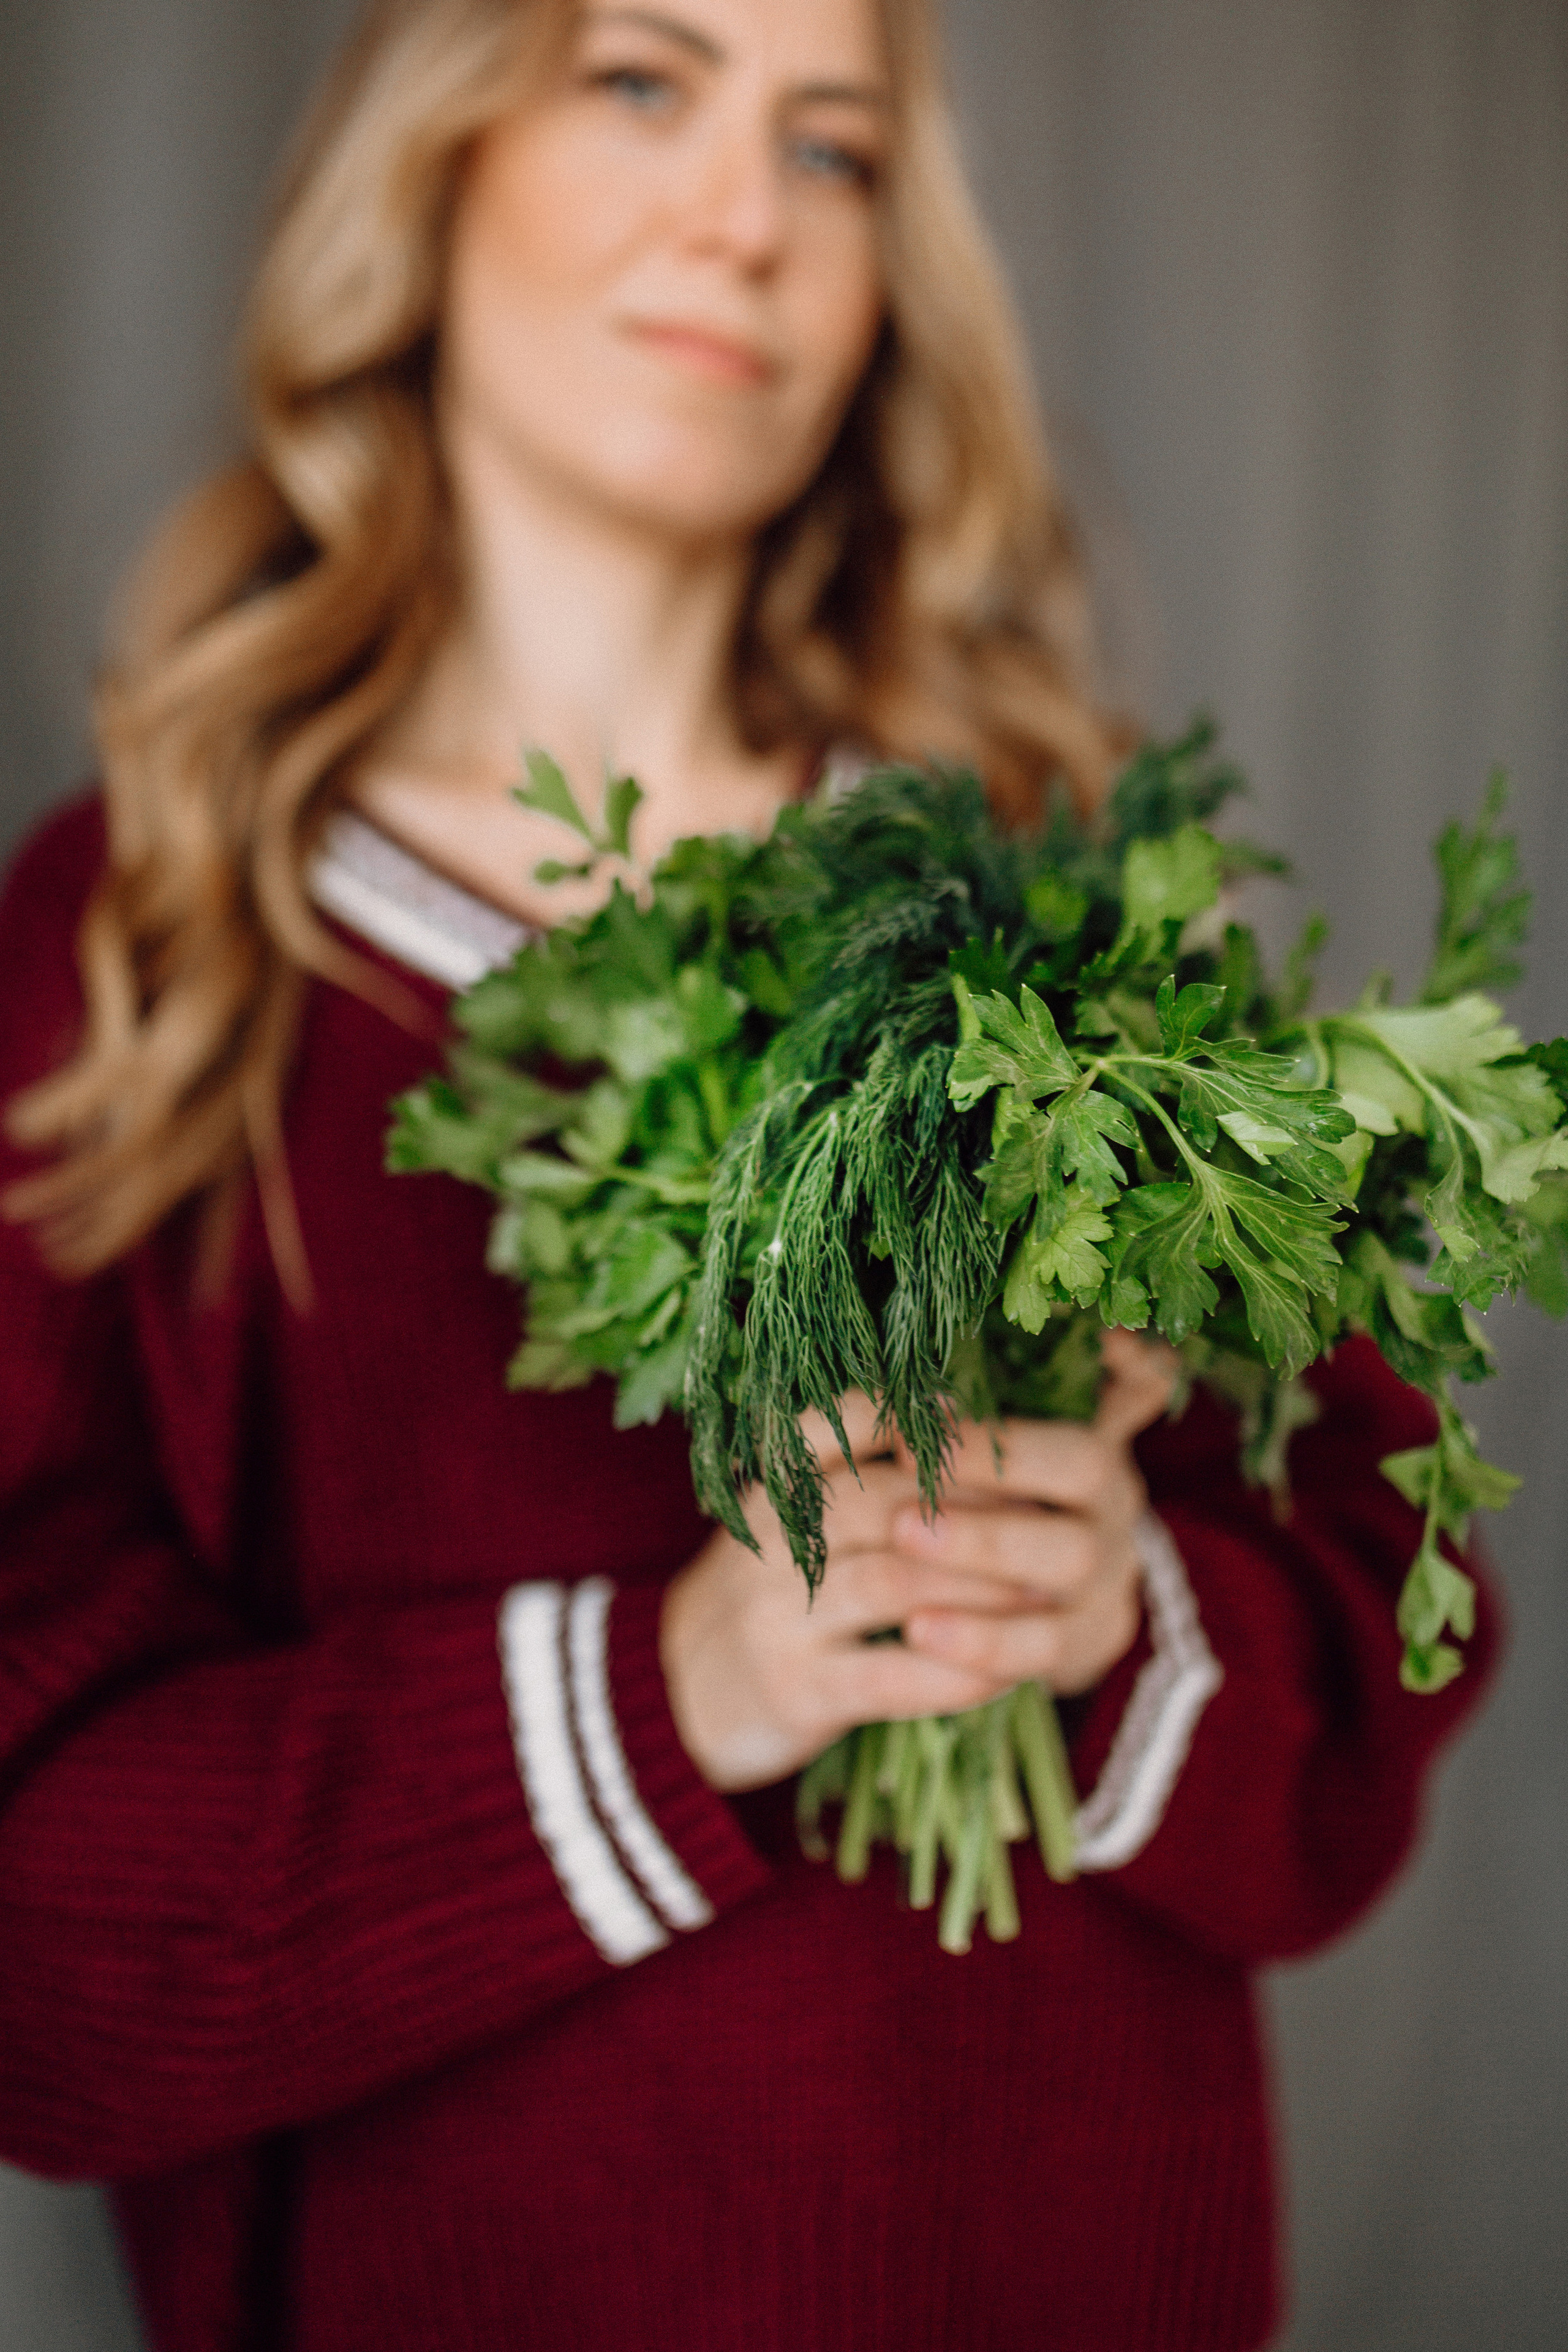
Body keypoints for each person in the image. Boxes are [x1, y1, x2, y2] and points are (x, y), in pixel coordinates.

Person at [0, 3, 1493, 2348]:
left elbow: (1382, 1632)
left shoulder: (1058, 914)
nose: (748, 217)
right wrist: (665, 1692)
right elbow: (38, 1944)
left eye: (836, 147)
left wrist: (1109, 1621)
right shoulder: (143, 962)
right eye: (640, 84)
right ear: (428, 163)